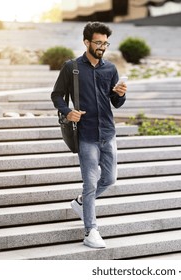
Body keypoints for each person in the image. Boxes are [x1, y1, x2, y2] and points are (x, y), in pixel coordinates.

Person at [51, 22, 127, 248]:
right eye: (98, 42)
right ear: (86, 42)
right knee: (90, 182)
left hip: (108, 132)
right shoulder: (72, 67)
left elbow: (115, 102)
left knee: (110, 178)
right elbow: (56, 95)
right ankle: (90, 231)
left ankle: (82, 203)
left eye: (105, 43)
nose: (102, 47)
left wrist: (121, 95)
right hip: (85, 134)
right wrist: (68, 112)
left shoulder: (110, 69)